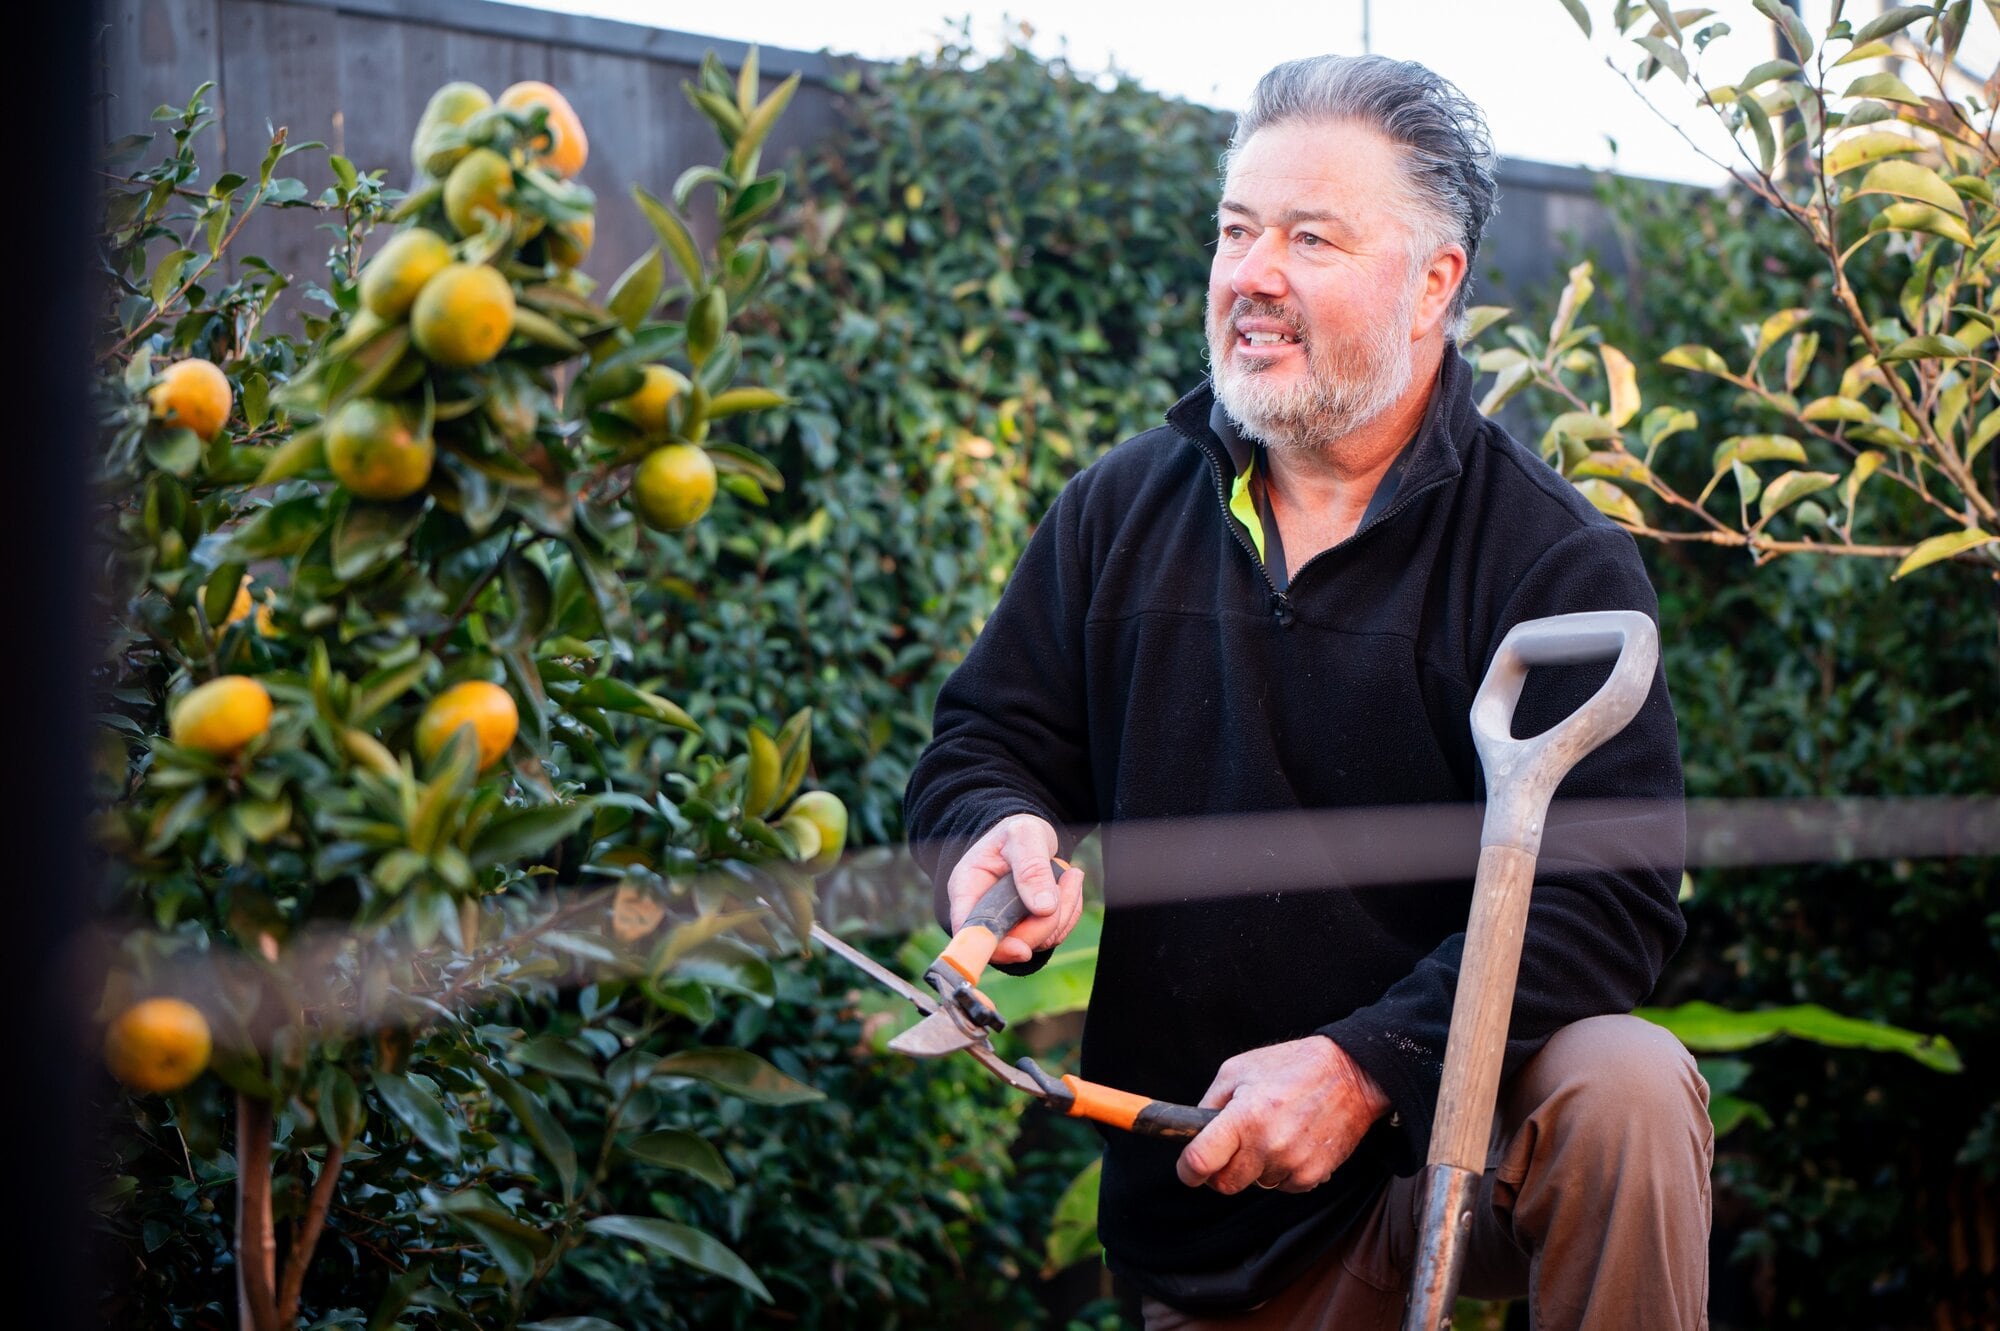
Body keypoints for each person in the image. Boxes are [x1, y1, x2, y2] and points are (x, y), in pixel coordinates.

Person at [903, 53, 1710, 1331]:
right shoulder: (1122, 510)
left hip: (1441, 1152)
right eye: (1235, 230)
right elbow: (987, 741)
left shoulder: (1546, 559)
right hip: (1211, 1190)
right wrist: (990, 830)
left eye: (1308, 238)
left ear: (1432, 281)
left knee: (1626, 1081)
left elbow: (1607, 891)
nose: (1251, 275)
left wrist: (1363, 1066)